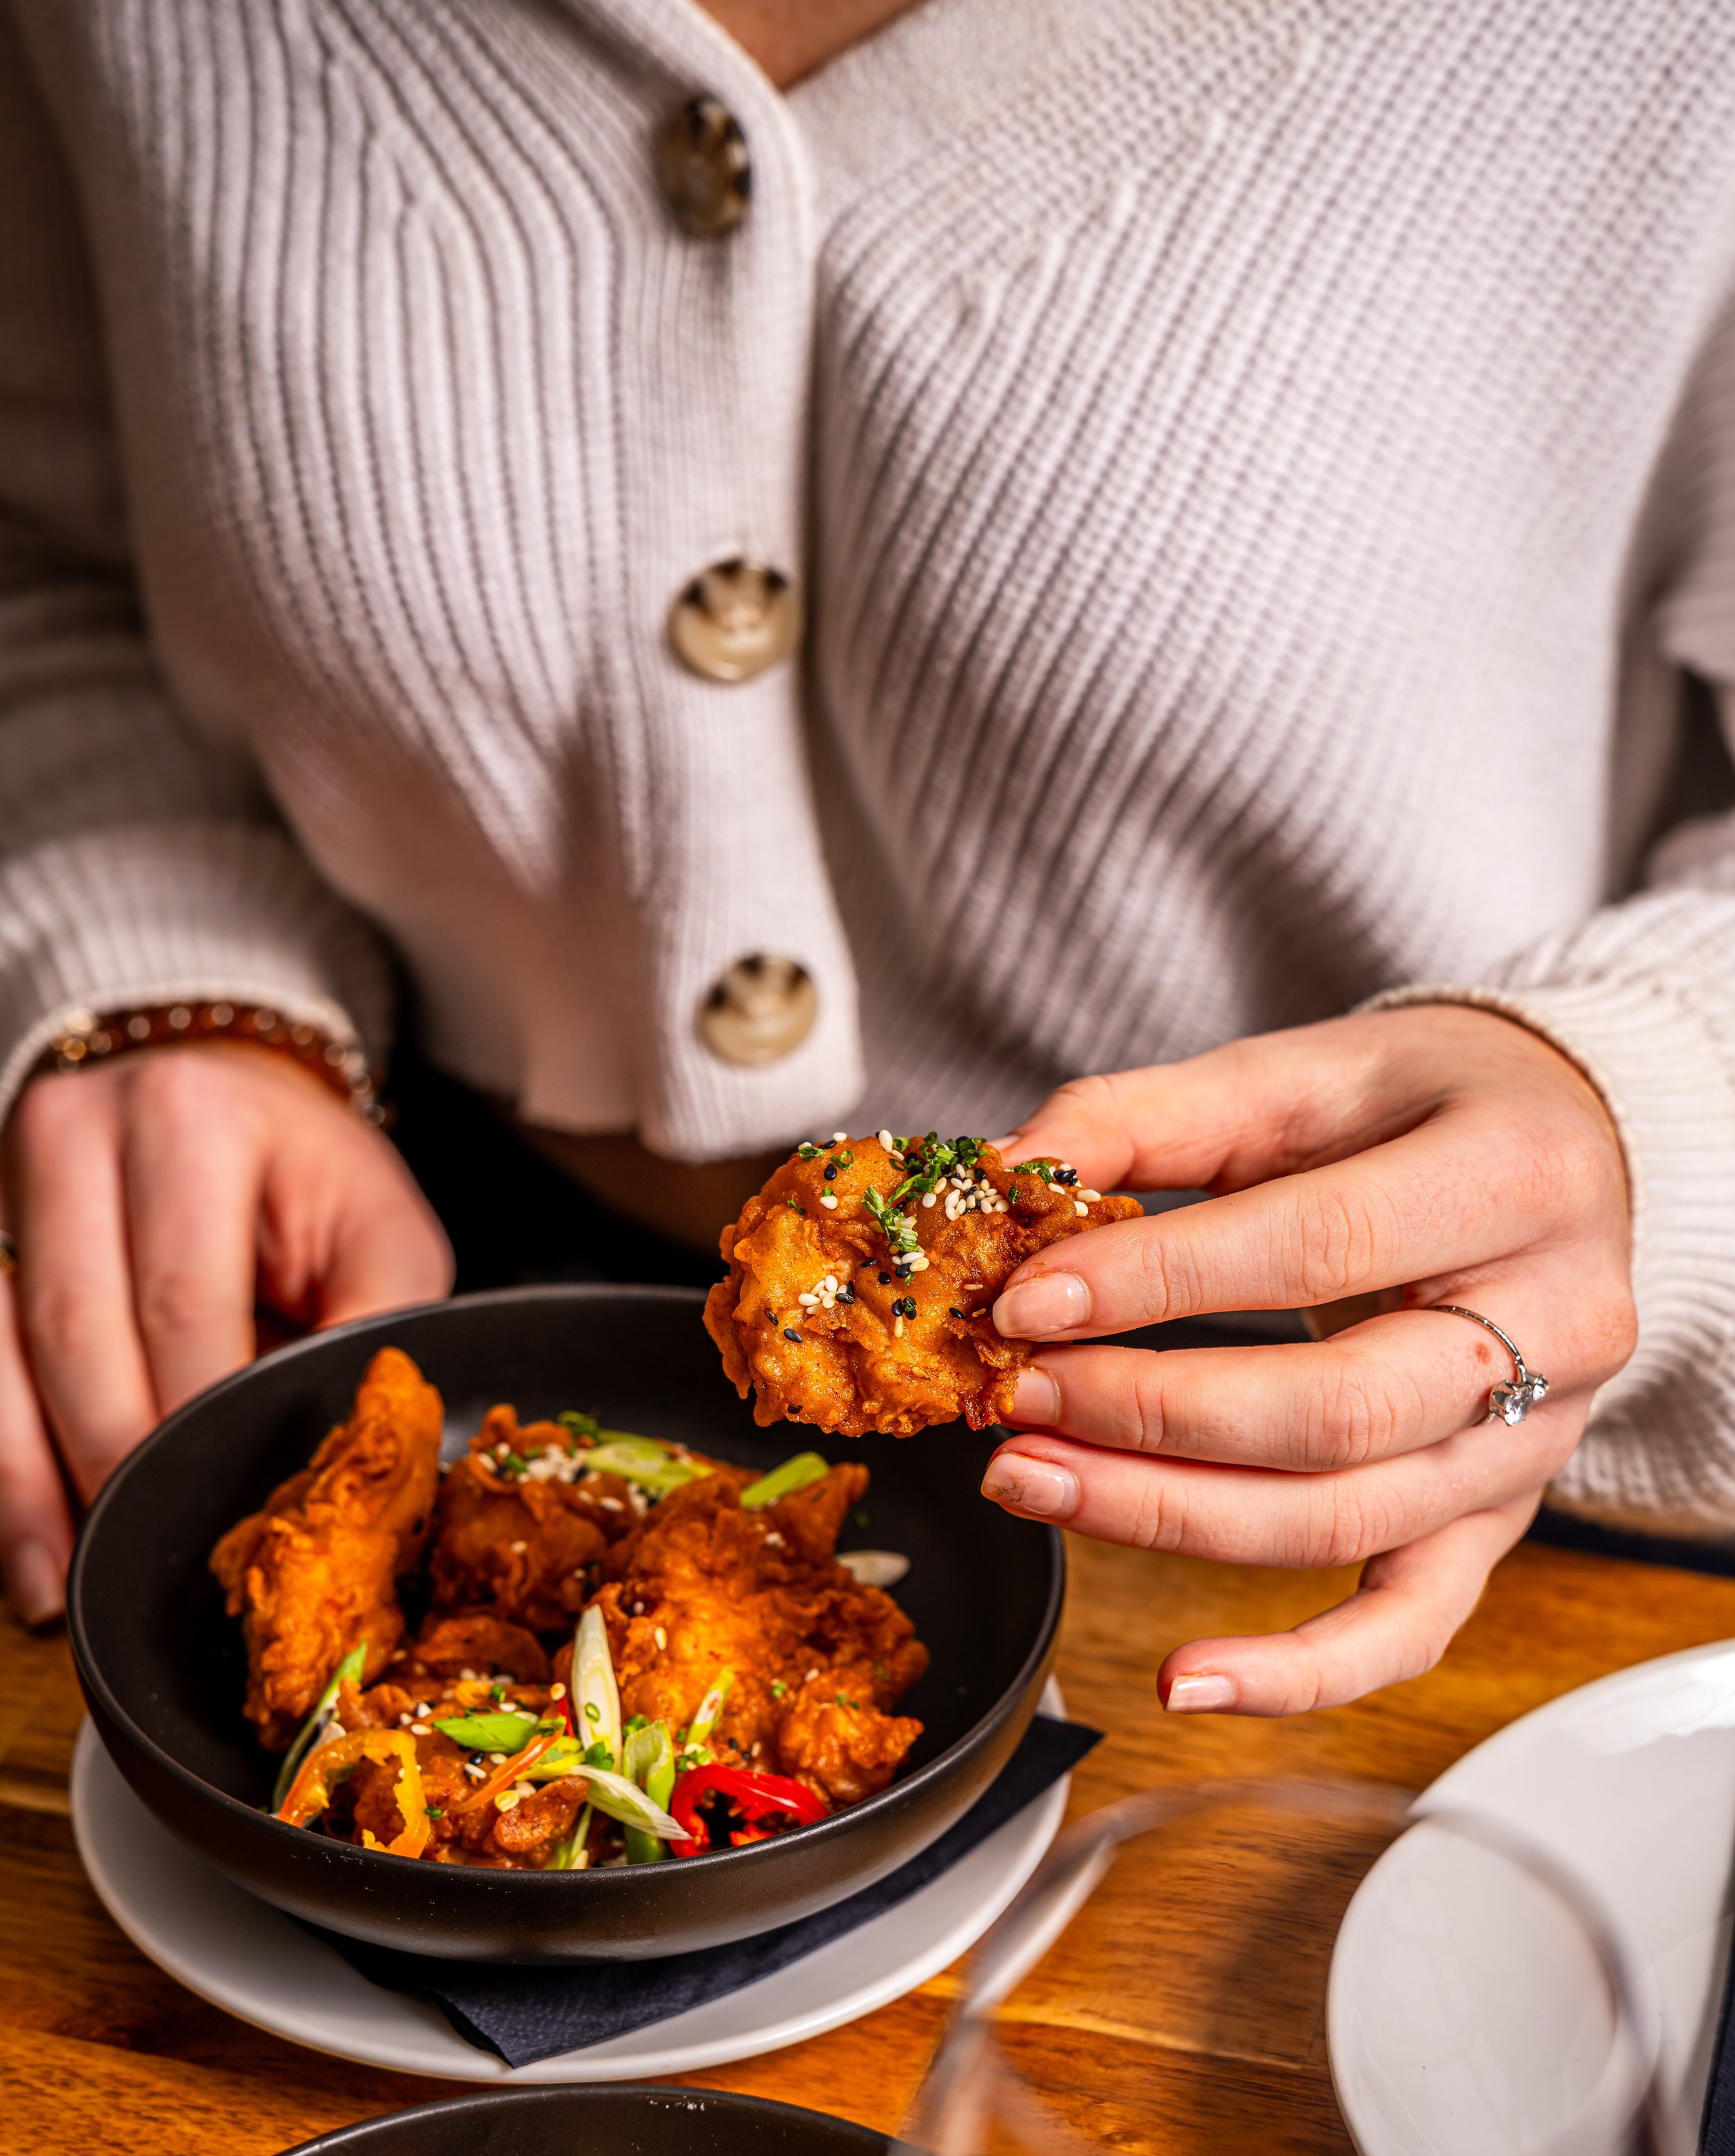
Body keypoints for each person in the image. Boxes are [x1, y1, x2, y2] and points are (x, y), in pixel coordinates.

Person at [1, 0, 1731, 1717]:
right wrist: (159, 961)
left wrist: (1640, 1107)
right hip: (380, 1281)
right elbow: (49, 556)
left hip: (1482, 1436)